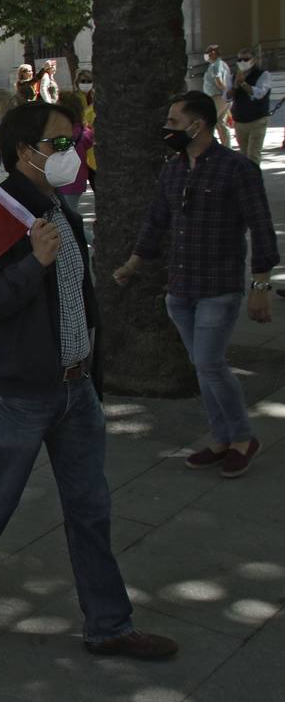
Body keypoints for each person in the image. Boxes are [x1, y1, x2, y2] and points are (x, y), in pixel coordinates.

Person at [0, 102, 178, 662]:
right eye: (61, 143)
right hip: (19, 394)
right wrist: (31, 264)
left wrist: (93, 373)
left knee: (91, 506)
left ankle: (109, 624)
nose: (74, 152)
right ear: (25, 152)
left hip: (76, 387)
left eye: (76, 139)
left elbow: (81, 300)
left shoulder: (64, 210)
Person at [113, 91, 278, 478]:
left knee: (209, 363)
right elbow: (157, 221)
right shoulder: (173, 170)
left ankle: (241, 437)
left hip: (218, 286)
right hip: (181, 288)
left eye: (173, 121)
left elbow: (261, 226)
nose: (167, 128)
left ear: (197, 125)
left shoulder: (236, 169)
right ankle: (222, 437)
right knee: (203, 367)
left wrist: (260, 284)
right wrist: (134, 262)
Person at [228, 47, 272, 163]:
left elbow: (259, 93)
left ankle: (254, 179)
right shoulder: (233, 76)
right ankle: (246, 179)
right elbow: (227, 96)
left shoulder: (263, 75)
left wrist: (243, 83)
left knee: (253, 155)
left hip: (257, 119)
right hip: (240, 120)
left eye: (246, 59)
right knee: (244, 154)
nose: (242, 62)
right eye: (239, 60)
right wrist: (236, 85)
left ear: (254, 60)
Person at [201, 45, 232, 146]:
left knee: (210, 121)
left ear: (213, 53)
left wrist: (225, 92)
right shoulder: (223, 64)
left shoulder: (215, 65)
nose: (206, 55)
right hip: (222, 97)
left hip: (217, 97)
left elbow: (218, 80)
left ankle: (209, 145)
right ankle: (226, 146)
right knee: (220, 122)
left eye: (207, 52)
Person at [74, 70, 98, 189]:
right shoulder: (75, 98)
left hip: (94, 141)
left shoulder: (97, 97)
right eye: (83, 81)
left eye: (89, 81)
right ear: (77, 82)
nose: (86, 83)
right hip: (81, 140)